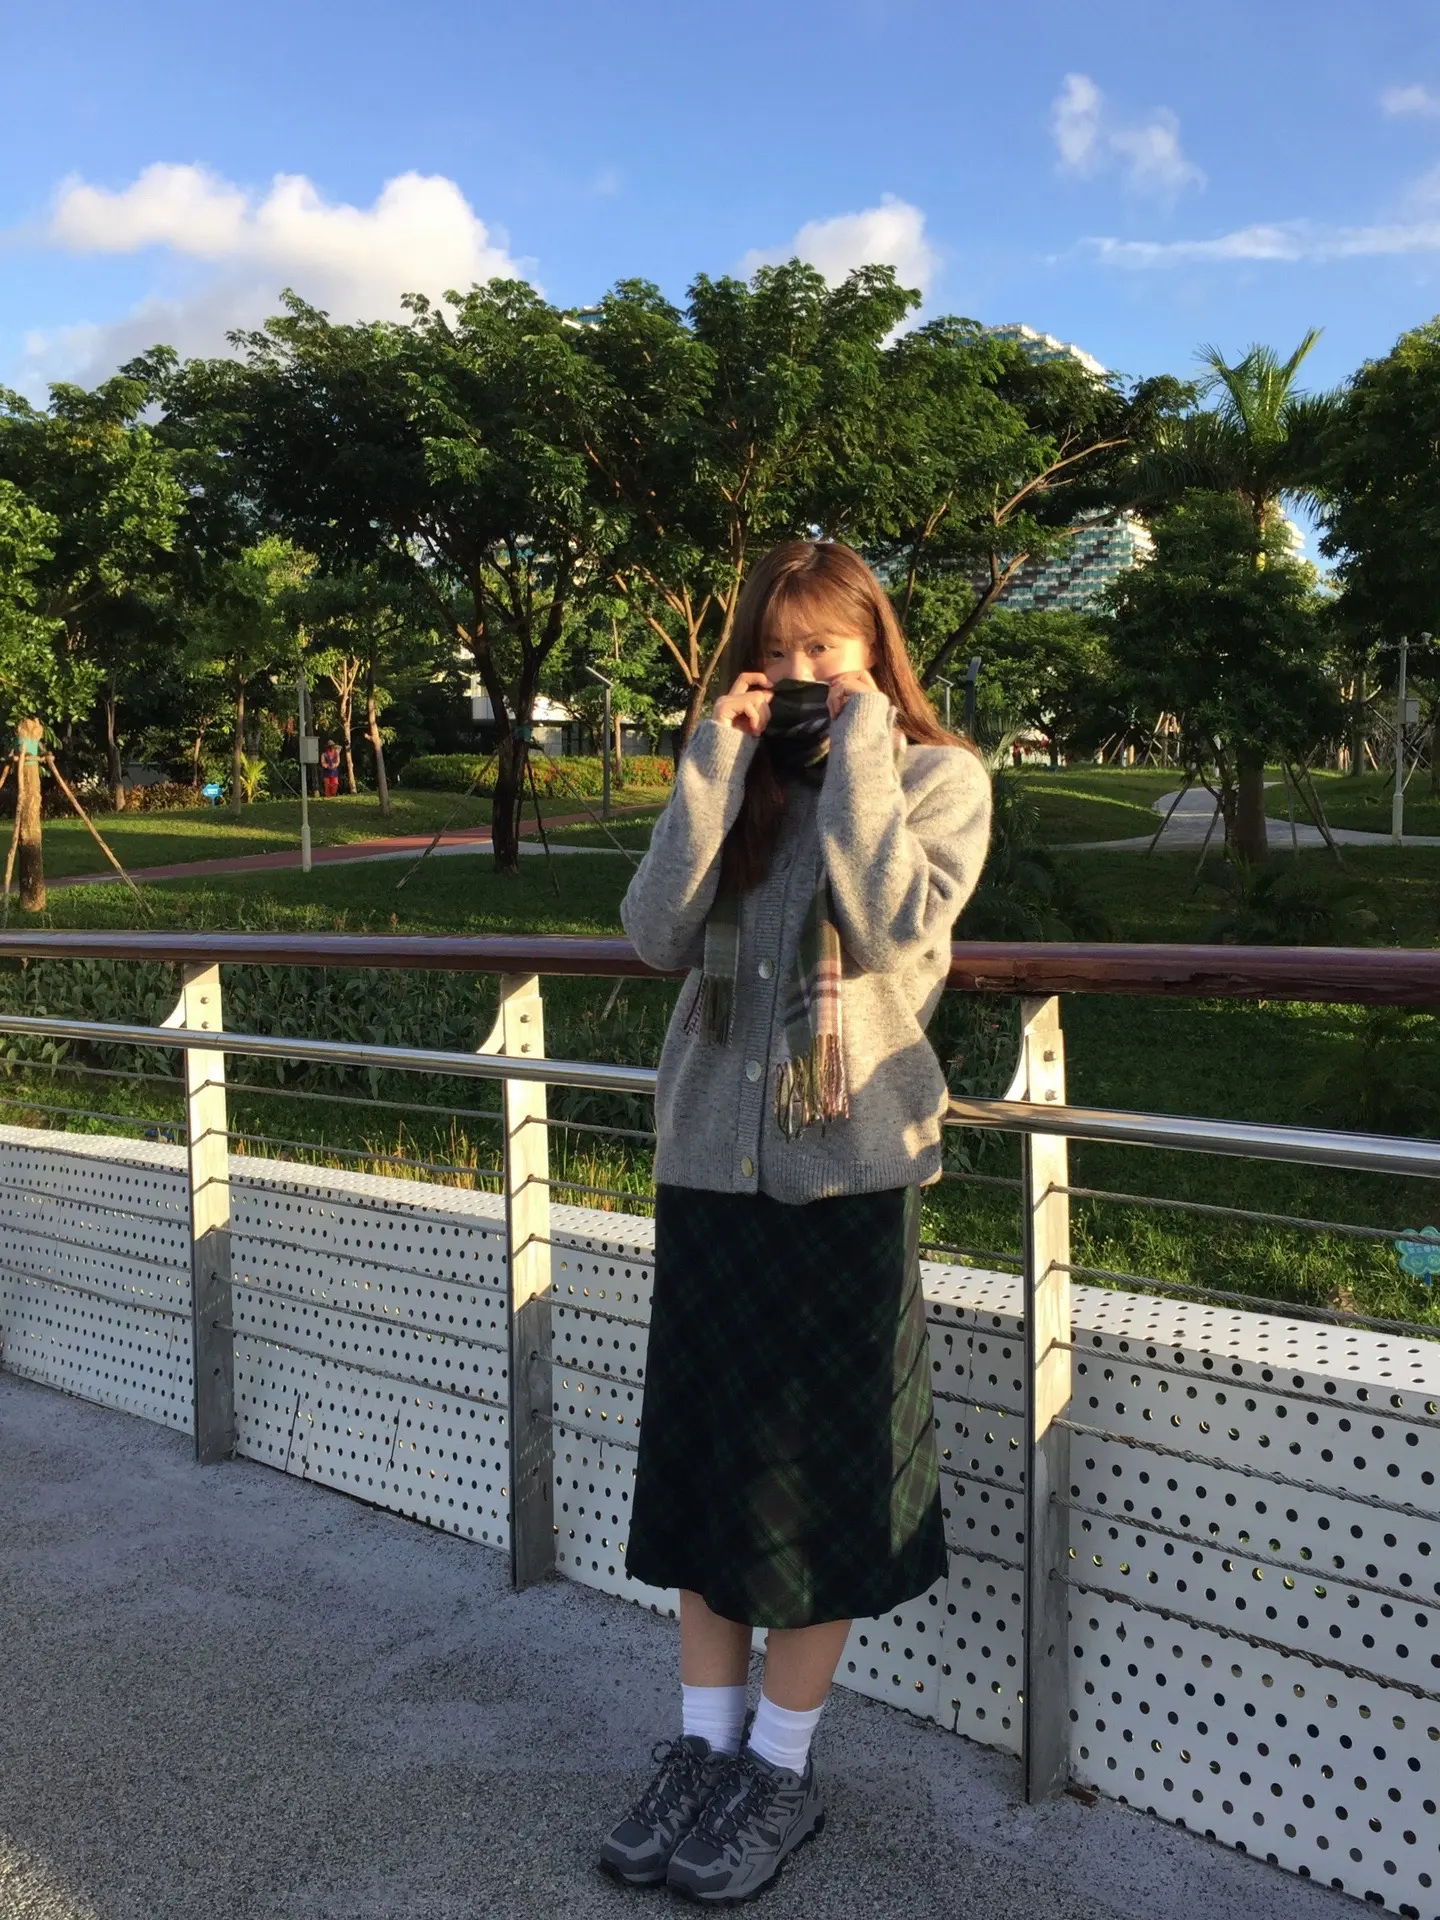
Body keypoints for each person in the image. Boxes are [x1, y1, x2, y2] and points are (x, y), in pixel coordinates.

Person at [600, 539, 992, 1903]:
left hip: (844, 1180)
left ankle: (778, 1768)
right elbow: (654, 932)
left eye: (830, 645)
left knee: (815, 1486)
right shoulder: (736, 774)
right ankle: (702, 1752)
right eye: (780, 648)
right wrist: (715, 758)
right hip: (709, 1167)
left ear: (876, 650)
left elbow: (891, 929)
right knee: (708, 1466)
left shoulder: (939, 777)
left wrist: (863, 749)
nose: (805, 670)